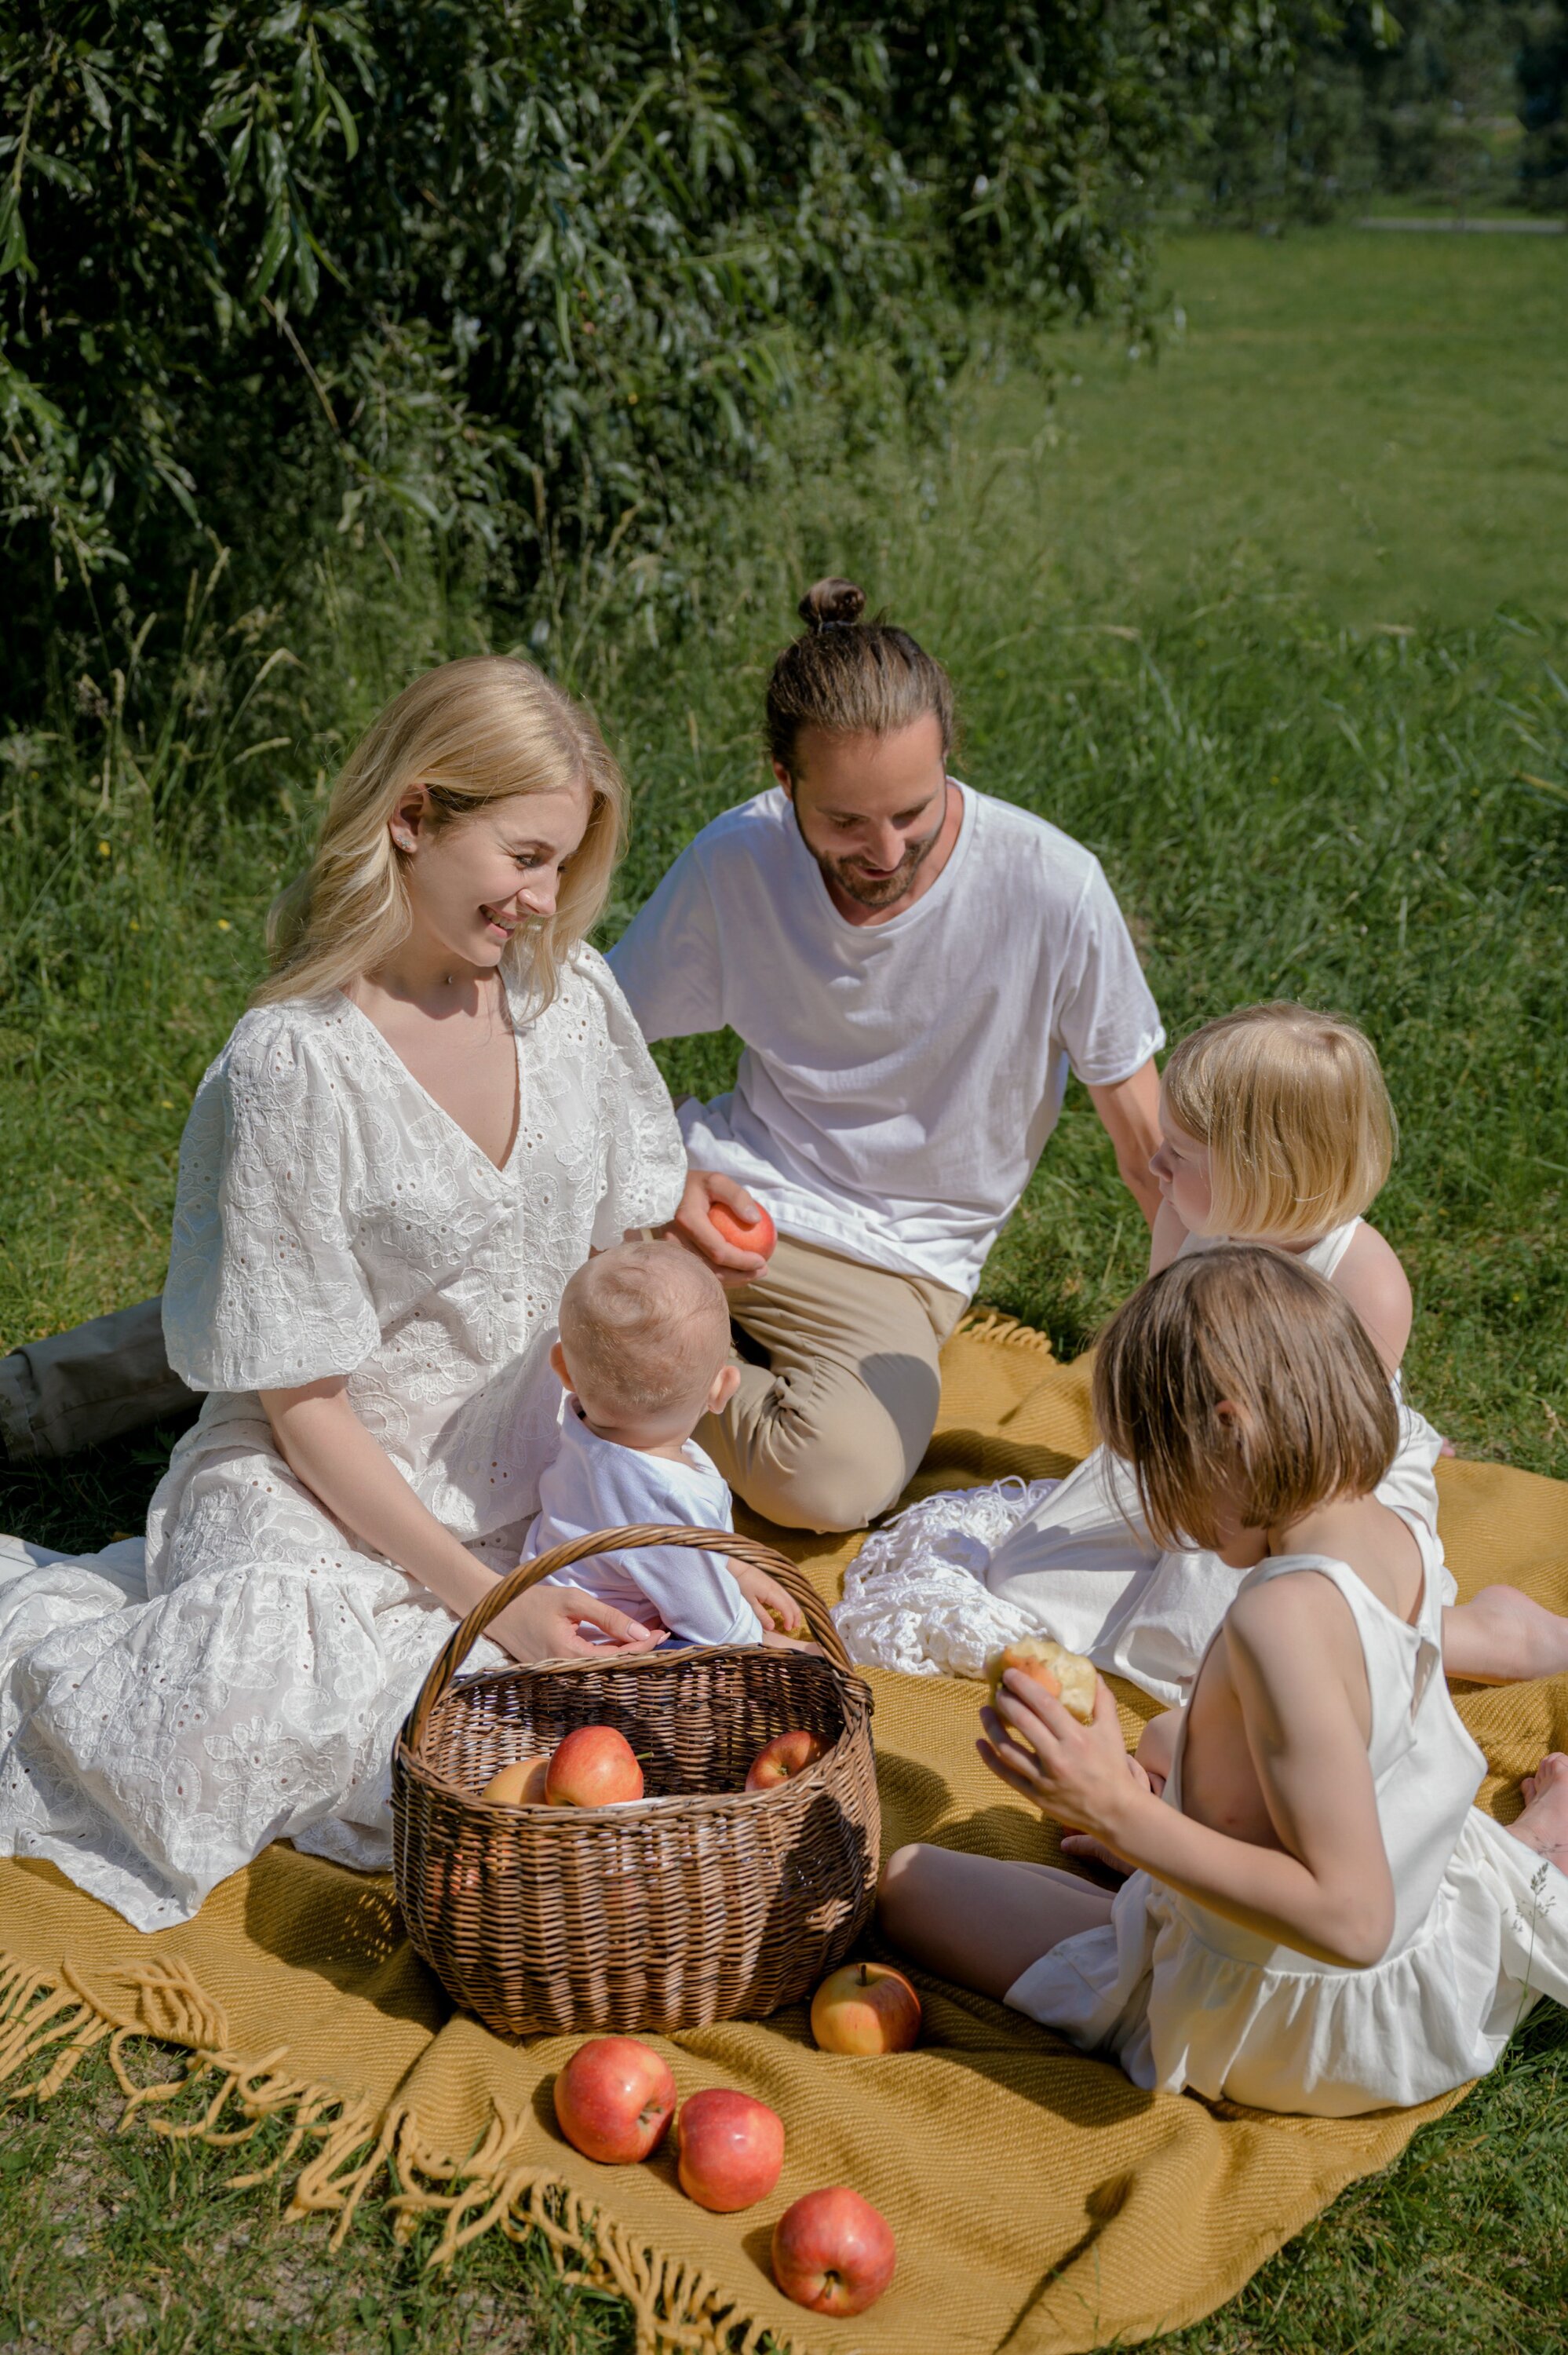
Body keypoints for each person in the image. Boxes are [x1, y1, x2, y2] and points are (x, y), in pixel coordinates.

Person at [0, 657, 696, 1931]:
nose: (543, 902)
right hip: (323, 1485)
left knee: (596, 1728)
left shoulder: (570, 1000)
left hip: (545, 1482)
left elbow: (629, 1270)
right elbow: (302, 1402)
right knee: (240, 1725)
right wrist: (494, 1602)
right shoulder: (291, 1070)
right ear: (412, 816)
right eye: (524, 857)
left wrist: (649, 1497)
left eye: (562, 866)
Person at [879, 1248, 1568, 2118]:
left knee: (909, 1882)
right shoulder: (1388, 1531)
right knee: (1170, 1741)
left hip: (1290, 2022)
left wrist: (1117, 1812)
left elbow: (1353, 1922)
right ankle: (1543, 1840)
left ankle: (1544, 1840)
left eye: (1158, 1471)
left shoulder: (1284, 1622)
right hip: (1425, 1913)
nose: (1162, 1515)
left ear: (1229, 1429)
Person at [610, 576, 1165, 1533]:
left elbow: (1151, 1150)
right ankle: (633, 1352)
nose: (885, 849)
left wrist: (1260, 1349)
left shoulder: (1055, 891)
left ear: (950, 751)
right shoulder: (736, 859)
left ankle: (627, 1369)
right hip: (724, 1194)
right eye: (844, 824)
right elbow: (592, 1033)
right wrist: (660, 1178)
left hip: (898, 1260)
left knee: (831, 1480)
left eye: (913, 811)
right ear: (784, 783)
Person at [837, 1002, 1531, 1703]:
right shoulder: (1189, 1218)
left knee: (1223, 1636)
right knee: (1022, 1580)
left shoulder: (1363, 1278)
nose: (1154, 1162)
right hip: (1188, 1456)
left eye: (1182, 1152)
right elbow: (1161, 1351)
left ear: (1269, 1170)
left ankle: (1480, 1632)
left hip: (1309, 1487)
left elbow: (1338, 1448)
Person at [530, 1240, 806, 1648]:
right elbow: (712, 1624)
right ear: (723, 1389)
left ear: (563, 1371)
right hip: (605, 1644)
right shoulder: (665, 1503)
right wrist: (788, 1650)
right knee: (704, 1676)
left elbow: (686, 1561)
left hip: (555, 1591)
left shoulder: (578, 1427)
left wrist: (737, 1570)